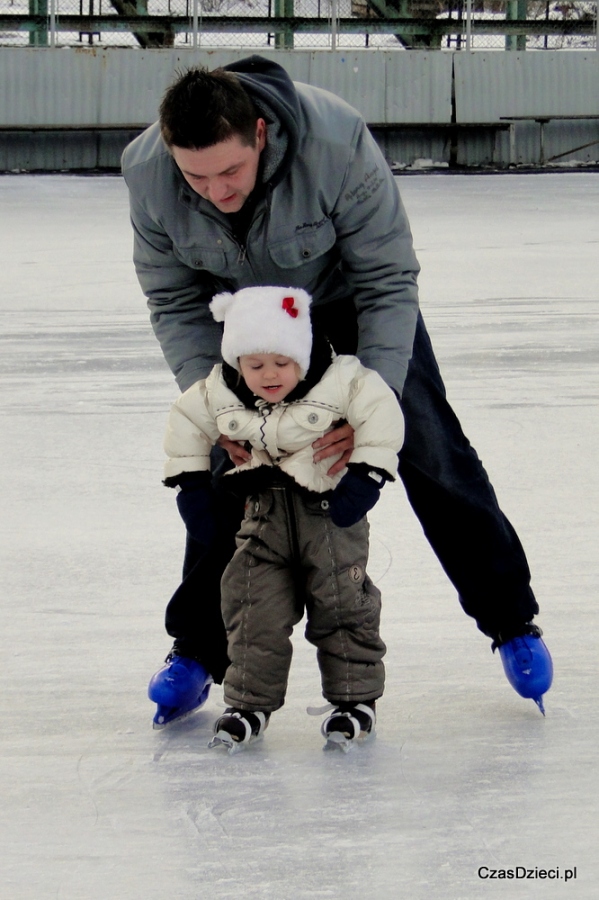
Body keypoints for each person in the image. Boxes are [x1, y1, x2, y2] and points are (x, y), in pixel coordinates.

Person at [122, 55, 552, 725]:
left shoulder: (335, 141)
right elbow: (172, 299)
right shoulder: (146, 168)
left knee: (427, 444)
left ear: (259, 133)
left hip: (350, 306)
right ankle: (198, 651)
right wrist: (223, 406)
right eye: (195, 176)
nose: (214, 191)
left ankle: (511, 620)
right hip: (244, 323)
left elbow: (386, 280)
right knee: (227, 465)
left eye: (229, 171)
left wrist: (367, 405)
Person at [161, 285, 404, 750]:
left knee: (343, 605)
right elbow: (186, 421)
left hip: (331, 519)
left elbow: (381, 410)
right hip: (261, 516)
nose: (269, 375)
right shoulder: (220, 391)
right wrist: (191, 488)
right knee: (251, 606)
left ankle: (355, 700)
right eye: (255, 366)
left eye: (281, 363)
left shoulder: (341, 380)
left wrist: (368, 476)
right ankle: (248, 704)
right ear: (237, 362)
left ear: (302, 355)